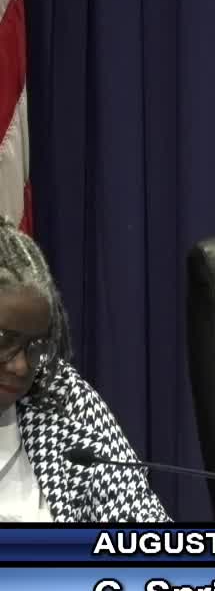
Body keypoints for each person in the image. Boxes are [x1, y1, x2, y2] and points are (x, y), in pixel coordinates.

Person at [0, 222, 169, 522]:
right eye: (3, 340)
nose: (21, 366)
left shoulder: (59, 392)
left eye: (35, 346)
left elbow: (141, 518)